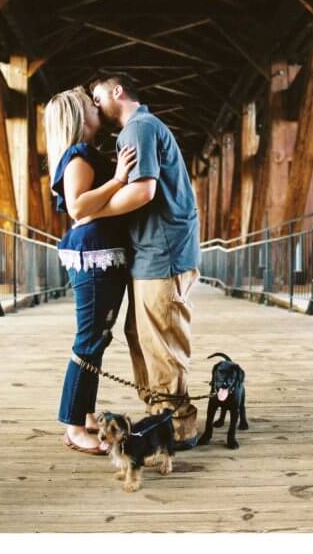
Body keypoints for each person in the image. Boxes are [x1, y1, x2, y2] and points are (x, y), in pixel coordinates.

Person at [80, 72, 202, 449]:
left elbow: (144, 191)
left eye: (98, 96)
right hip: (155, 251)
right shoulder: (144, 127)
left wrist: (92, 212)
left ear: (117, 91)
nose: (95, 104)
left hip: (162, 252)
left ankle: (178, 426)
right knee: (141, 334)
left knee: (160, 338)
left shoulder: (138, 128)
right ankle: (158, 415)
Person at [45, 86, 137, 455]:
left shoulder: (82, 154)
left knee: (97, 338)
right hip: (93, 254)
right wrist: (117, 179)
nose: (96, 105)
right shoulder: (79, 155)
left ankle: (84, 415)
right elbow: (77, 207)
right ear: (79, 116)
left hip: (101, 253)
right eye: (90, 103)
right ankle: (72, 426)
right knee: (89, 340)